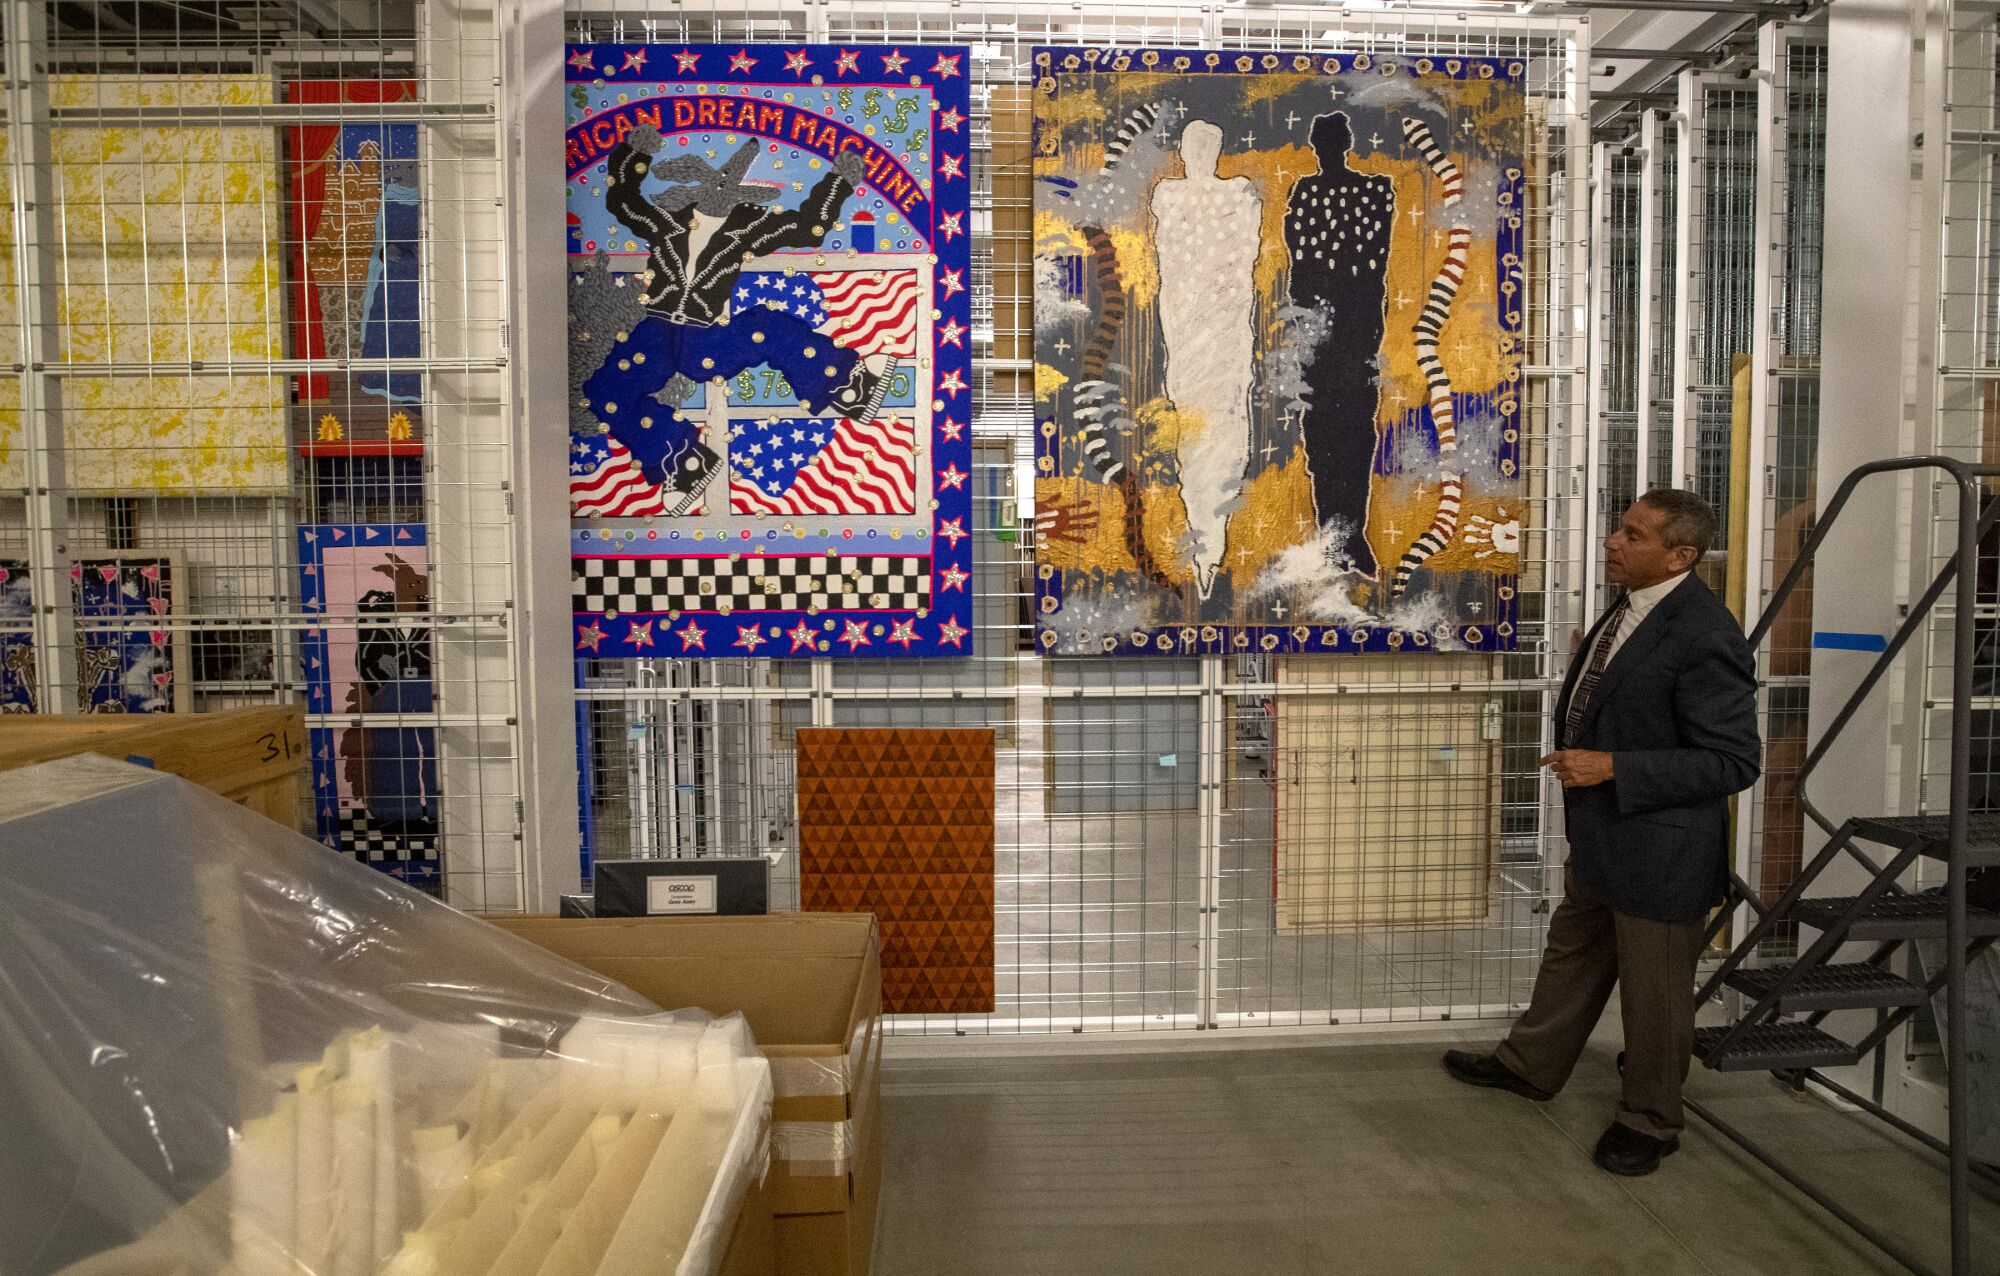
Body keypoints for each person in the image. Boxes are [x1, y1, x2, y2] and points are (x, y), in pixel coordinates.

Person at [1443, 489, 1761, 1177]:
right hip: (1604, 838)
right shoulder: (1635, 607)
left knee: (1656, 996)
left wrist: (1612, 766)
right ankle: (1530, 1064)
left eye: (1635, 536)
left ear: (1681, 555)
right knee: (1573, 956)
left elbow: (1733, 761)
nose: (1615, 542)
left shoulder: (1704, 633)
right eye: (1620, 528)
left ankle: (1649, 1119)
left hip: (1661, 849)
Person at [585, 122, 891, 500]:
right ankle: (679, 465)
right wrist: (636, 155)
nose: (722, 186)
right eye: (717, 178)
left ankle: (847, 385)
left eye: (733, 179)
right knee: (606, 389)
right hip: (657, 333)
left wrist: (837, 184)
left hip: (705, 338)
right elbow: (624, 203)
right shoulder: (666, 223)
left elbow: (808, 228)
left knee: (767, 327)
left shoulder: (747, 227)